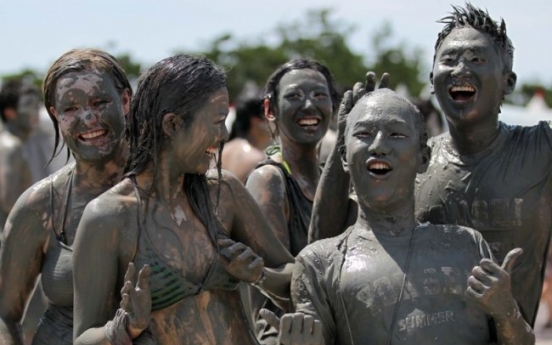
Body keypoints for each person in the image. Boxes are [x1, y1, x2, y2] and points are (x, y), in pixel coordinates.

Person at [308, 3, 551, 328]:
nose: (460, 69)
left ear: (508, 82)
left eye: (477, 59)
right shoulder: (413, 162)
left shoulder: (541, 149)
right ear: (432, 80)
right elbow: (323, 247)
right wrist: (347, 142)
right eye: (449, 60)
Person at [265, 89, 534, 344]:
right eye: (364, 134)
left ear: (423, 157)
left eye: (395, 134)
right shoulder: (319, 264)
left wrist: (507, 312)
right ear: (345, 157)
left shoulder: (467, 245)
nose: (379, 146)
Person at [72, 54, 294, 345]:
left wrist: (260, 275)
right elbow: (83, 338)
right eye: (216, 122)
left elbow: (294, 279)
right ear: (173, 125)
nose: (225, 133)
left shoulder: (224, 194)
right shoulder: (109, 217)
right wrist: (125, 327)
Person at [0, 48, 132, 345]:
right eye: (70, 108)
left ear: (125, 101)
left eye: (100, 102)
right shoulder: (42, 205)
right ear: (54, 114)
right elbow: (5, 315)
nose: (88, 118)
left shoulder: (169, 188)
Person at [244, 58, 340, 344]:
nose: (309, 105)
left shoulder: (330, 181)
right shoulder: (269, 181)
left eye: (319, 95)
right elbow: (280, 280)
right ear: (270, 110)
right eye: (295, 96)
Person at [0, 79, 41, 233]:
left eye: (37, 105)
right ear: (10, 113)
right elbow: (9, 201)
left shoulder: (14, 144)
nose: (36, 110)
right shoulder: (11, 146)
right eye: (29, 105)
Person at [221, 96, 271, 182]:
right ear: (256, 121)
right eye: (269, 117)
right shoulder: (257, 160)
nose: (273, 124)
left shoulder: (221, 151)